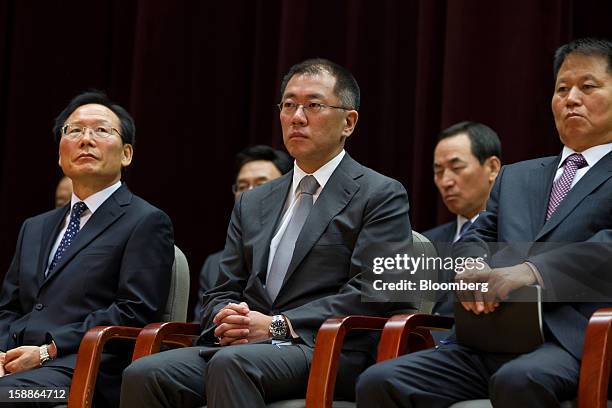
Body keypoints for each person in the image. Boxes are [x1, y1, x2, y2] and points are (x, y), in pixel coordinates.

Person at [121, 58, 417, 408]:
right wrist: (228, 319)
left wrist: (277, 326)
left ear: (348, 122)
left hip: (328, 348)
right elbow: (222, 287)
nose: (297, 117)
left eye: (314, 105)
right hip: (249, 346)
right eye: (289, 104)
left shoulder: (379, 193)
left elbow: (375, 292)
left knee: (233, 366)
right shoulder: (254, 201)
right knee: (143, 373)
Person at [356, 37, 612, 407]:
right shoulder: (516, 177)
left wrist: (528, 272)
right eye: (561, 88)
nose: (571, 98)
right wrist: (473, 267)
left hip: (574, 341)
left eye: (587, 87)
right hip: (485, 338)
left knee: (518, 380)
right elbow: (477, 233)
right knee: (380, 381)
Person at [0, 91, 174, 406]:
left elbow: (133, 311)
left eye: (101, 130)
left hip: (85, 372)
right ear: (59, 154)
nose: (86, 140)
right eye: (75, 130)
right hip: (17, 365)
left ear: (126, 154)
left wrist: (46, 350)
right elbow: (9, 308)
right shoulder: (34, 227)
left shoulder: (146, 221)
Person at [193, 145, 292, 322]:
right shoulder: (213, 264)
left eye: (262, 185)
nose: (251, 193)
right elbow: (202, 321)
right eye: (242, 186)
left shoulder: (296, 249)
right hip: (227, 343)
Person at [424, 121, 501, 316]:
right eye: (438, 171)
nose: (446, 181)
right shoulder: (426, 243)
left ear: (492, 168)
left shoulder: (514, 237)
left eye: (456, 167)